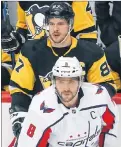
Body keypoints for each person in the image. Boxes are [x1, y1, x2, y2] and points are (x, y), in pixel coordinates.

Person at [9, 2, 116, 139]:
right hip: (45, 123)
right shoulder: (31, 51)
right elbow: (19, 88)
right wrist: (20, 115)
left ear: (70, 25)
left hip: (81, 123)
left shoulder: (91, 53)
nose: (55, 29)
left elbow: (107, 86)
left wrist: (81, 100)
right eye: (51, 23)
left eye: (60, 24)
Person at [16, 56, 119, 147]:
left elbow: (114, 126)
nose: (66, 88)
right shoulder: (41, 106)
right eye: (61, 81)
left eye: (71, 81)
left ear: (80, 81)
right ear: (53, 82)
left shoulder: (99, 96)